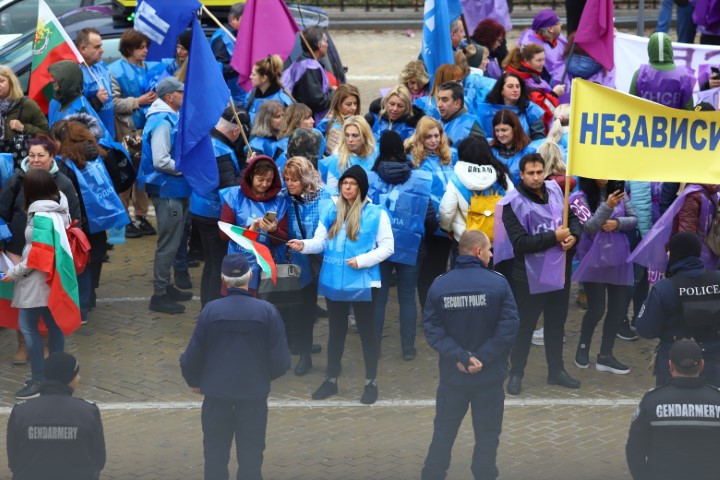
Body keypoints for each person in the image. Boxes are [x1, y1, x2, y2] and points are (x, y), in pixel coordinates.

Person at [288, 165, 394, 404]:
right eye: (345, 183)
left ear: (361, 187)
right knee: (336, 332)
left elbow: (388, 247)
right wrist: (303, 245)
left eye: (353, 183)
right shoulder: (330, 209)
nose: (347, 187)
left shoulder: (377, 213)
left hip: (364, 283)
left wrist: (363, 260)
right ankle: (331, 379)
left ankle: (370, 382)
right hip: (334, 281)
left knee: (367, 333)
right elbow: (320, 242)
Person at [180, 253, 290, 480]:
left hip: (216, 393)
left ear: (223, 279)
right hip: (253, 393)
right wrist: (261, 376)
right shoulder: (267, 311)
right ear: (250, 276)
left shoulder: (210, 310)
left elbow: (192, 356)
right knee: (251, 455)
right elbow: (281, 361)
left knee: (215, 454)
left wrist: (195, 381)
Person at [421, 230, 519, 480]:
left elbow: (432, 329)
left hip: (454, 378)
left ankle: (432, 474)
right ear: (478, 252)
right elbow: (509, 327)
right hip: (489, 378)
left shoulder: (440, 284)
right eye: (488, 249)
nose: (491, 254)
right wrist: (482, 358)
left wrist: (460, 357)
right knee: (487, 437)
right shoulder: (498, 283)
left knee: (443, 434)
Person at [495, 153, 582, 394]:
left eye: (539, 172)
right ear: (521, 175)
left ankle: (556, 371)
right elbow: (520, 243)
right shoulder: (512, 203)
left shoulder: (556, 191)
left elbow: (572, 219)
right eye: (530, 173)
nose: (536, 177)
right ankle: (516, 373)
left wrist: (573, 237)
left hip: (558, 272)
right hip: (529, 277)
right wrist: (554, 237)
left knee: (556, 325)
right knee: (525, 326)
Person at [0, 136, 81, 368]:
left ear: (51, 157)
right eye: (31, 155)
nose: (35, 160)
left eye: (40, 155)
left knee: (40, 305)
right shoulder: (17, 178)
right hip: (16, 250)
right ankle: (23, 346)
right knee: (20, 303)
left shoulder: (62, 185)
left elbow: (75, 221)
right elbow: (2, 210)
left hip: (43, 258)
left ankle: (42, 353)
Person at [51, 118, 127, 325]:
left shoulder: (64, 165)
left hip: (79, 222)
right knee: (95, 257)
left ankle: (81, 307)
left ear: (62, 140)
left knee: (80, 264)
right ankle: (90, 298)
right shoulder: (98, 155)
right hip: (99, 220)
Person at [368, 130, 435, 361]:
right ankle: (408, 348)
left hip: (379, 248)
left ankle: (373, 345)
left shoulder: (370, 178)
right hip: (411, 247)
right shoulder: (418, 179)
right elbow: (429, 217)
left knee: (379, 297)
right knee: (407, 297)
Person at [137, 76, 194, 315]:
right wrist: (187, 168)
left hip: (174, 187)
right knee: (169, 243)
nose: (184, 95)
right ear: (169, 96)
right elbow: (161, 161)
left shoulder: (168, 117)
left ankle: (167, 287)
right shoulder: (162, 121)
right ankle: (159, 294)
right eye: (181, 92)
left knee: (174, 240)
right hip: (168, 188)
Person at [626, 339, 720, 480]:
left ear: (670, 365)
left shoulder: (652, 401)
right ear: (702, 365)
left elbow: (634, 449)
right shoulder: (717, 400)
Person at [569, 178, 637, 375]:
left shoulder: (620, 195)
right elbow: (590, 226)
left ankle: (606, 355)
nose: (604, 178)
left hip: (618, 259)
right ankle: (583, 347)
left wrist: (617, 223)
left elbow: (633, 220)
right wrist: (607, 206)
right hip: (593, 261)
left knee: (617, 308)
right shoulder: (578, 198)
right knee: (596, 309)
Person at [636, 232, 720, 387]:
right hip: (715, 360)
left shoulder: (664, 288)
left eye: (669, 251)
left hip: (674, 364)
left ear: (675, 254)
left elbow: (645, 329)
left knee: (672, 408)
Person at [7, 352, 106, 480]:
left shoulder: (20, 411)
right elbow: (99, 459)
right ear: (70, 378)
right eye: (77, 374)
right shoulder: (88, 411)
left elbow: (13, 461)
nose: (79, 378)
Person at [279, 156, 332, 376]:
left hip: (321, 260)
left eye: (294, 179)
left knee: (315, 308)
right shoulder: (284, 199)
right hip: (295, 262)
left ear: (306, 179)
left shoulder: (326, 199)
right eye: (286, 179)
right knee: (300, 308)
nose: (289, 184)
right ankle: (304, 354)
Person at [190, 106, 245, 307]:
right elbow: (230, 185)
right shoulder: (222, 150)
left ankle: (207, 307)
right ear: (236, 132)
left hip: (199, 207)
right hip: (213, 212)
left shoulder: (207, 141)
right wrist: (247, 167)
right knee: (216, 265)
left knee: (210, 265)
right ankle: (213, 308)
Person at [406, 116, 457, 309]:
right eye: (428, 137)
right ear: (420, 137)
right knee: (427, 271)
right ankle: (429, 309)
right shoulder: (414, 160)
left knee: (441, 269)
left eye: (436, 135)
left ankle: (439, 308)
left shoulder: (451, 156)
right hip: (426, 224)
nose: (433, 140)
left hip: (448, 223)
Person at [219, 155, 289, 295]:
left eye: (269, 180)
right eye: (260, 180)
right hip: (239, 263)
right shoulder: (235, 195)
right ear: (251, 176)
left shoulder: (280, 201)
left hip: (267, 265)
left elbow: (283, 238)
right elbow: (224, 234)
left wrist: (274, 230)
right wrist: (250, 230)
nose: (264, 184)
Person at [440, 136, 513, 257]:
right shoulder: (501, 176)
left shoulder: (456, 178)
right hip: (495, 243)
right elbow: (513, 204)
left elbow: (447, 210)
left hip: (465, 241)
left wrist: (446, 228)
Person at [46, 61, 113, 145]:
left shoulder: (80, 108)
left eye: (57, 77)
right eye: (52, 76)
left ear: (68, 79)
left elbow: (87, 145)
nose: (52, 80)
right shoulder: (55, 103)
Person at [503, 43, 564, 132]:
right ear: (526, 61)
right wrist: (554, 94)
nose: (542, 63)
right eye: (538, 60)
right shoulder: (525, 81)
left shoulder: (522, 74)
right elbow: (541, 111)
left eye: (543, 59)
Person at [629, 32, 696, 110]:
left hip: (644, 121)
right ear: (670, 49)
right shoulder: (684, 76)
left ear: (650, 49)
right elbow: (689, 111)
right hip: (675, 122)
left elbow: (630, 107)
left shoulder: (639, 73)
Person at [282, 26, 335, 123]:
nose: (327, 45)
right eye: (326, 42)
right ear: (319, 45)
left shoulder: (301, 63)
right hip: (310, 123)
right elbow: (317, 102)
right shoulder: (310, 68)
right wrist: (333, 93)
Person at [478, 72, 546, 141]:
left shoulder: (531, 109)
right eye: (510, 86)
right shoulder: (488, 110)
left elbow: (538, 139)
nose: (515, 90)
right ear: (501, 90)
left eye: (517, 86)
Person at [75, 27, 115, 139]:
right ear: (83, 49)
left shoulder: (100, 65)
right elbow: (74, 112)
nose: (102, 50)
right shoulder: (76, 73)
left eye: (101, 46)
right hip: (93, 140)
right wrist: (96, 101)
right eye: (97, 47)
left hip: (110, 134)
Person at [322, 115, 376, 190]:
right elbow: (332, 192)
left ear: (365, 136)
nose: (350, 140)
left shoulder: (373, 156)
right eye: (347, 135)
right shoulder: (337, 160)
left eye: (355, 135)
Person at [517, 9, 568, 84]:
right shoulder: (531, 46)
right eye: (558, 23)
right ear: (550, 29)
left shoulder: (556, 37)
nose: (561, 25)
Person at [489, 109, 537, 186]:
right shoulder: (490, 149)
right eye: (497, 130)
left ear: (515, 129)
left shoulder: (530, 151)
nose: (500, 134)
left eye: (504, 130)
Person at [210, 3, 246, 103]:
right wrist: (243, 66)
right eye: (246, 19)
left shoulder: (241, 36)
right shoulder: (222, 38)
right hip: (229, 101)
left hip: (243, 97)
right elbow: (219, 68)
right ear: (233, 19)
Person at [0, 65, 48, 142]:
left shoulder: (27, 104)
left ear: (11, 83)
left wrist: (23, 128)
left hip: (21, 152)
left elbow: (46, 132)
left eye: (2, 81)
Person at [246, 54, 294, 124]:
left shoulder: (283, 100)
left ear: (264, 78)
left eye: (254, 74)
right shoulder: (251, 95)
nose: (250, 77)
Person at [316, 84, 361, 156]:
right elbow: (337, 157)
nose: (353, 108)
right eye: (348, 104)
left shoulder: (351, 121)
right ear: (338, 105)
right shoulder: (336, 128)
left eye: (355, 103)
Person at [436, 81, 486, 146]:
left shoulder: (470, 124)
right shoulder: (437, 123)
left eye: (445, 100)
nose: (439, 104)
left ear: (457, 103)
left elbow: (480, 152)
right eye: (438, 99)